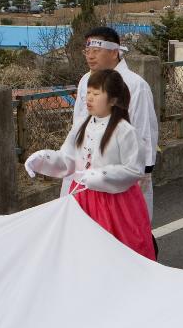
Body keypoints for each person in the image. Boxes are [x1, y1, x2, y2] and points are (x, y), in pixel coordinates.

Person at [25, 69, 156, 260]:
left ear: (113, 99)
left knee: (114, 254)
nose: (89, 98)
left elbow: (134, 170)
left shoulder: (125, 131)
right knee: (81, 253)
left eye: (96, 94)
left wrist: (102, 176)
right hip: (82, 199)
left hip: (115, 204)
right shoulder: (81, 125)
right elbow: (68, 160)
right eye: (88, 93)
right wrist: (44, 159)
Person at [71, 27, 159, 220]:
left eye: (96, 51)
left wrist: (145, 169)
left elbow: (145, 128)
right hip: (86, 163)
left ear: (114, 52)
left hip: (120, 165)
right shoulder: (86, 80)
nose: (90, 56)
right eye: (87, 51)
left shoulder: (135, 84)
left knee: (125, 223)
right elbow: (78, 121)